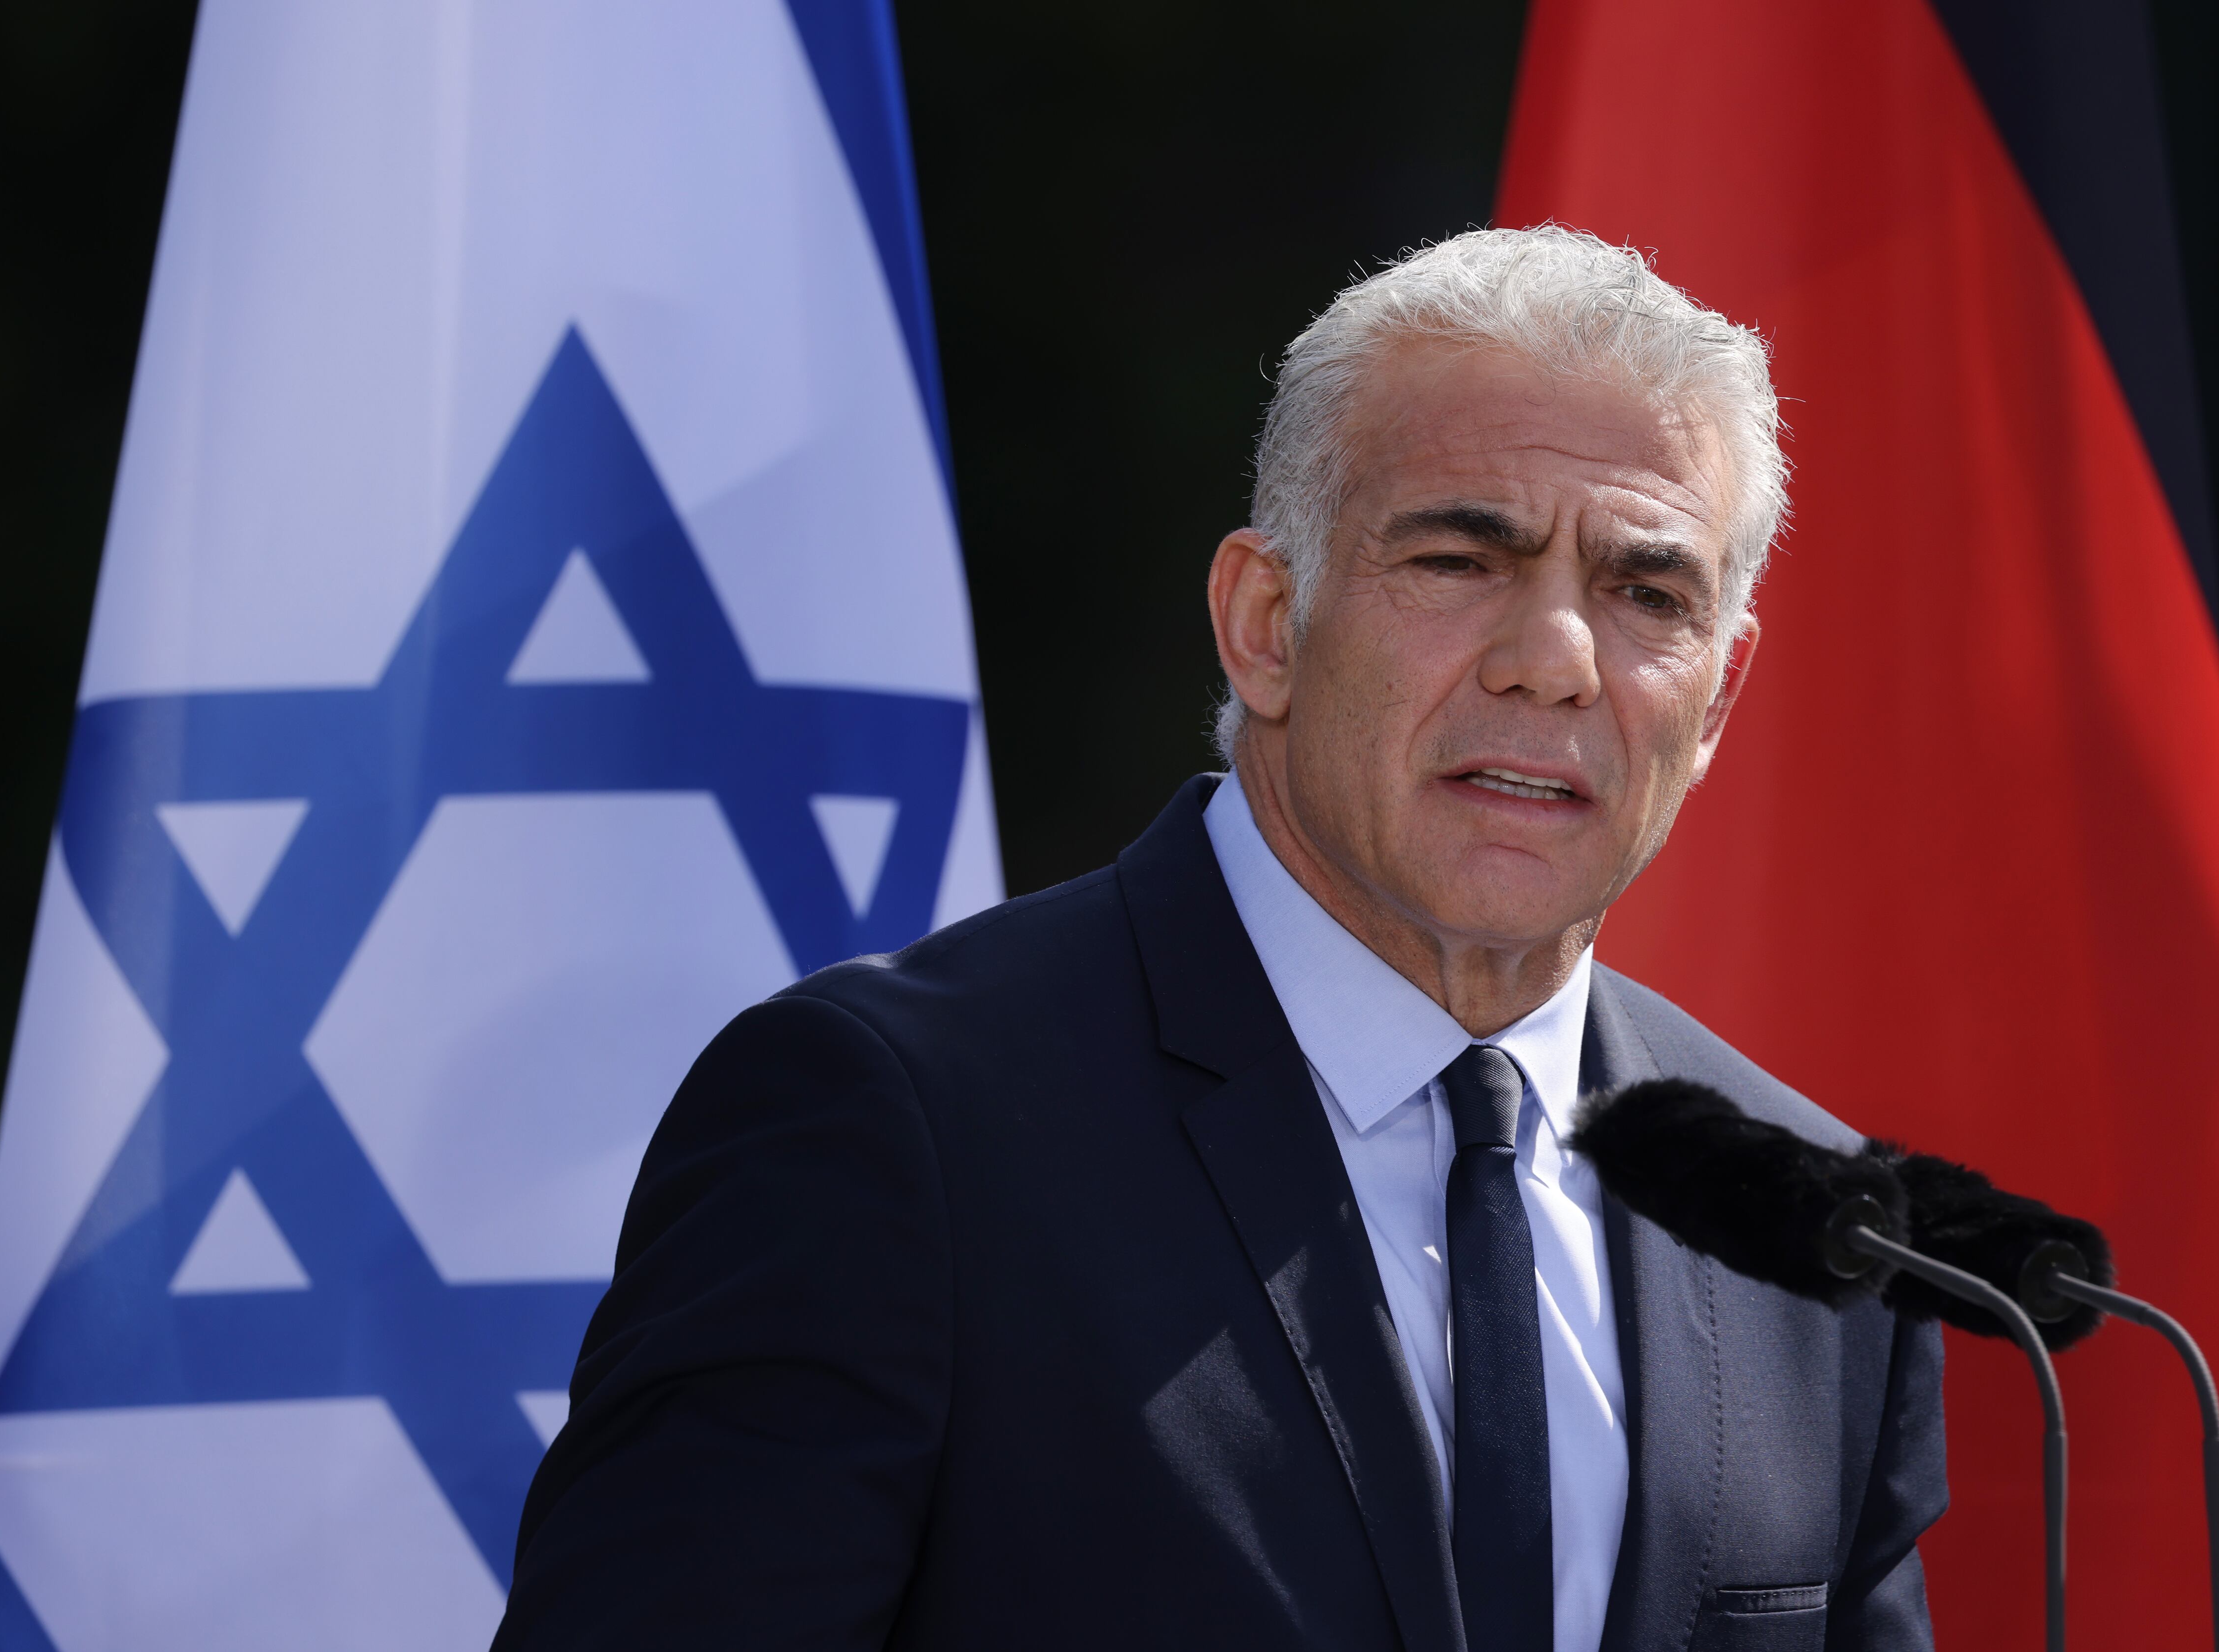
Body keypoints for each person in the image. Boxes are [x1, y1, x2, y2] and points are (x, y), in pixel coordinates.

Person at [493, 226, 1946, 1652]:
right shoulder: (890, 1130)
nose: (1555, 661)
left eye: (1647, 594)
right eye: (1460, 558)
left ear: (1718, 701)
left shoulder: (1813, 1229)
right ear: (1264, 622)